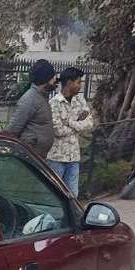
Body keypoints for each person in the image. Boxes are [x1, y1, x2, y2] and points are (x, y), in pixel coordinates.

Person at [47, 66, 93, 197]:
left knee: (73, 194)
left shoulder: (80, 100)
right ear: (69, 83)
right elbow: (58, 130)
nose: (80, 85)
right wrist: (78, 123)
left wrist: (70, 123)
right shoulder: (54, 103)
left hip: (73, 156)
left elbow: (89, 123)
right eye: (78, 82)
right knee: (55, 194)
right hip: (57, 157)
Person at [7, 60, 57, 158]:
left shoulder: (42, 97)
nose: (55, 80)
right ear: (46, 78)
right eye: (52, 77)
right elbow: (13, 129)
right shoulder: (30, 99)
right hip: (28, 157)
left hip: (38, 157)